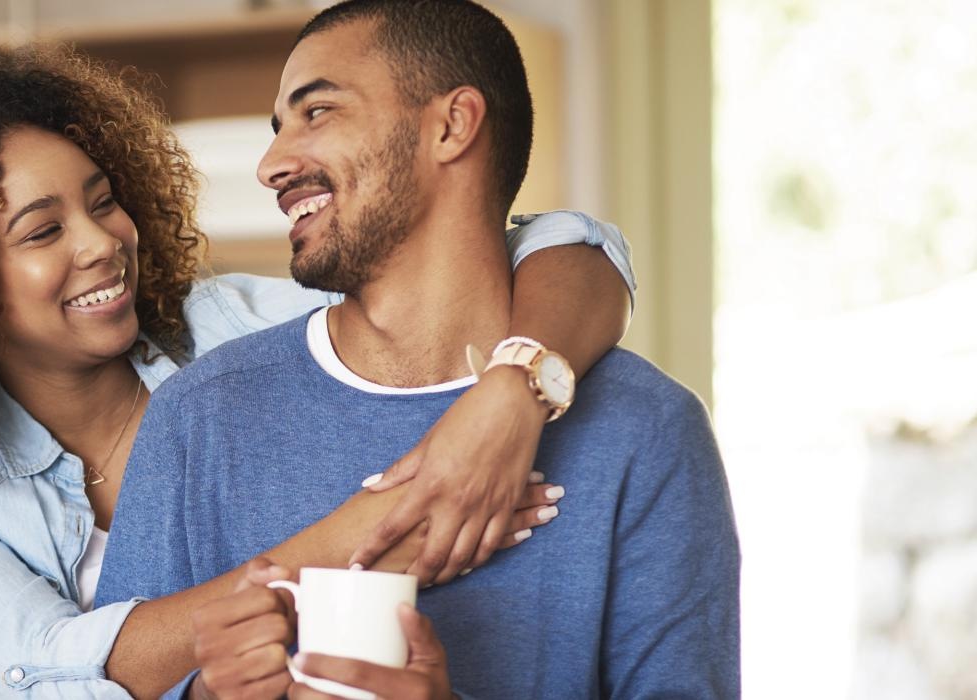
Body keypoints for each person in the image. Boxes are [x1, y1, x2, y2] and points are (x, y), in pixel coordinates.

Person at [0, 45, 636, 698]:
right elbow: (34, 668)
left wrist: (509, 394)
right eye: (43, 232)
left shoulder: (222, 328)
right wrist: (384, 527)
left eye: (103, 199)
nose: (101, 242)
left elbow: (561, 247)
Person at [92, 1, 738, 698]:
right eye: (278, 128)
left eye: (318, 112)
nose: (272, 163)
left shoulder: (646, 432)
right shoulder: (199, 418)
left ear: (452, 125)